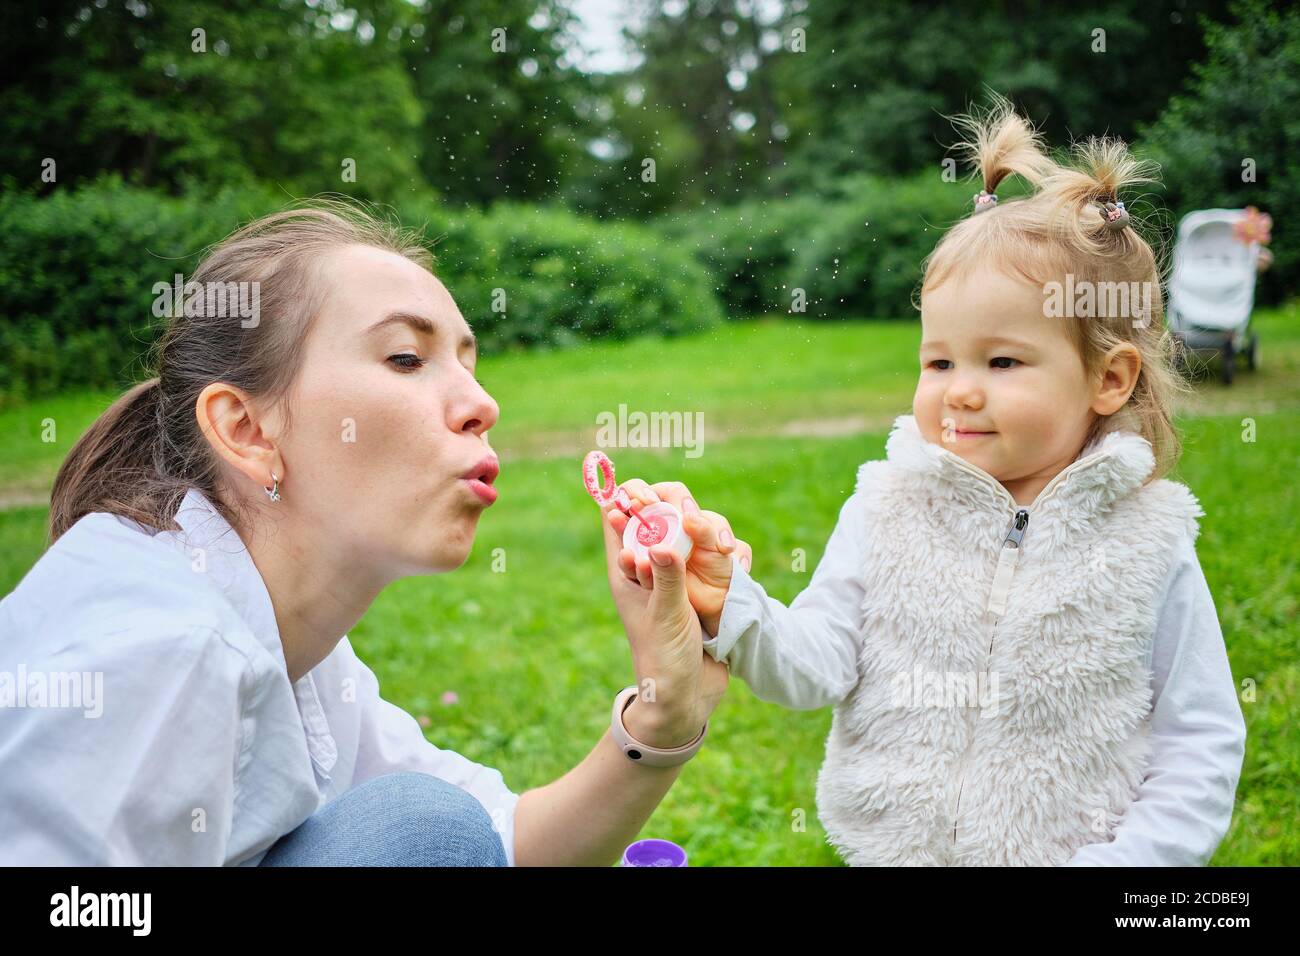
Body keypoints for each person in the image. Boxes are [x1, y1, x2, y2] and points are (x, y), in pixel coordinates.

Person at [0, 200, 744, 866]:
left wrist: (667, 713)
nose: (481, 403)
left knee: (423, 831)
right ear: (248, 429)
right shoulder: (168, 650)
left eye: (468, 361)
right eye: (405, 358)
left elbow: (499, 845)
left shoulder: (295, 648)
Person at [611, 95, 1248, 866]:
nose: (959, 391)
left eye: (1002, 362)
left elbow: (1200, 739)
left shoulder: (1150, 539)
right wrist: (732, 603)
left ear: (1108, 379)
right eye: (939, 360)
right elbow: (814, 665)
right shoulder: (887, 504)